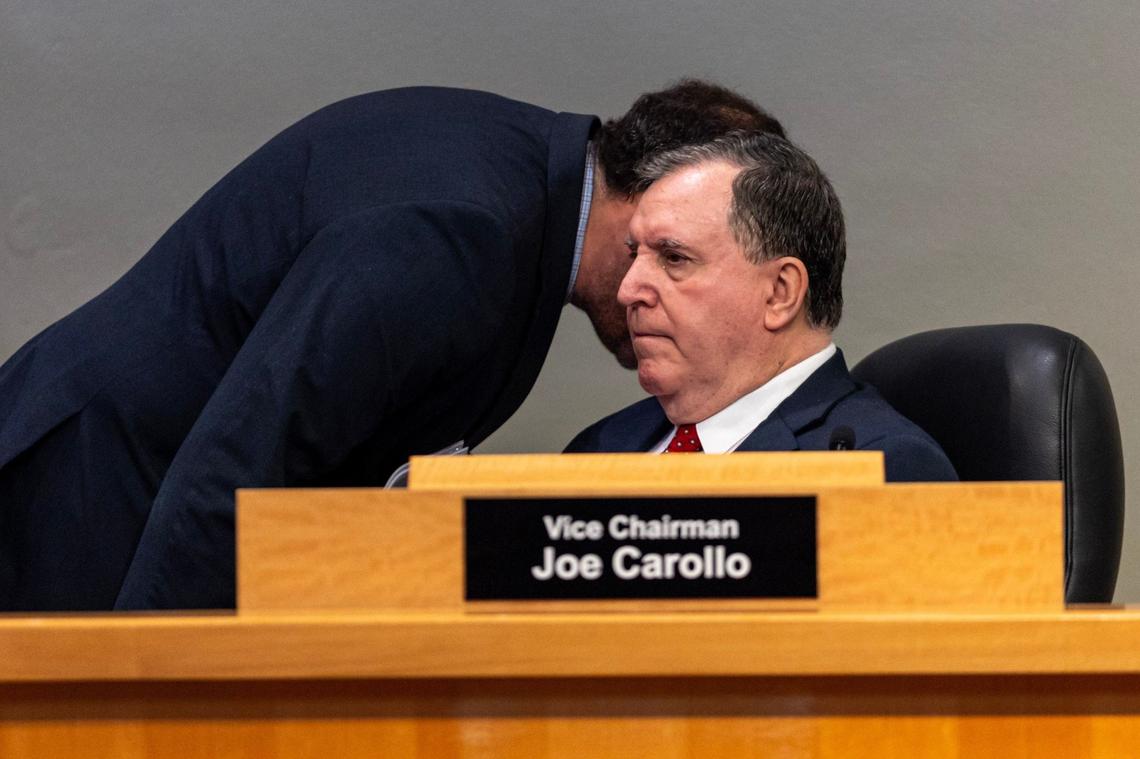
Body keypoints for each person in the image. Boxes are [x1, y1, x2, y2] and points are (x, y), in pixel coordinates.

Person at [0, 82, 785, 611]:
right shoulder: (461, 232)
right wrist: (148, 712)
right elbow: (235, 468)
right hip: (86, 505)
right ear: (661, 197)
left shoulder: (521, 187)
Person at [564, 132, 957, 483]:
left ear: (780, 293)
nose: (628, 290)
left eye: (674, 258)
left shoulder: (879, 467)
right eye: (634, 255)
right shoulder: (600, 447)